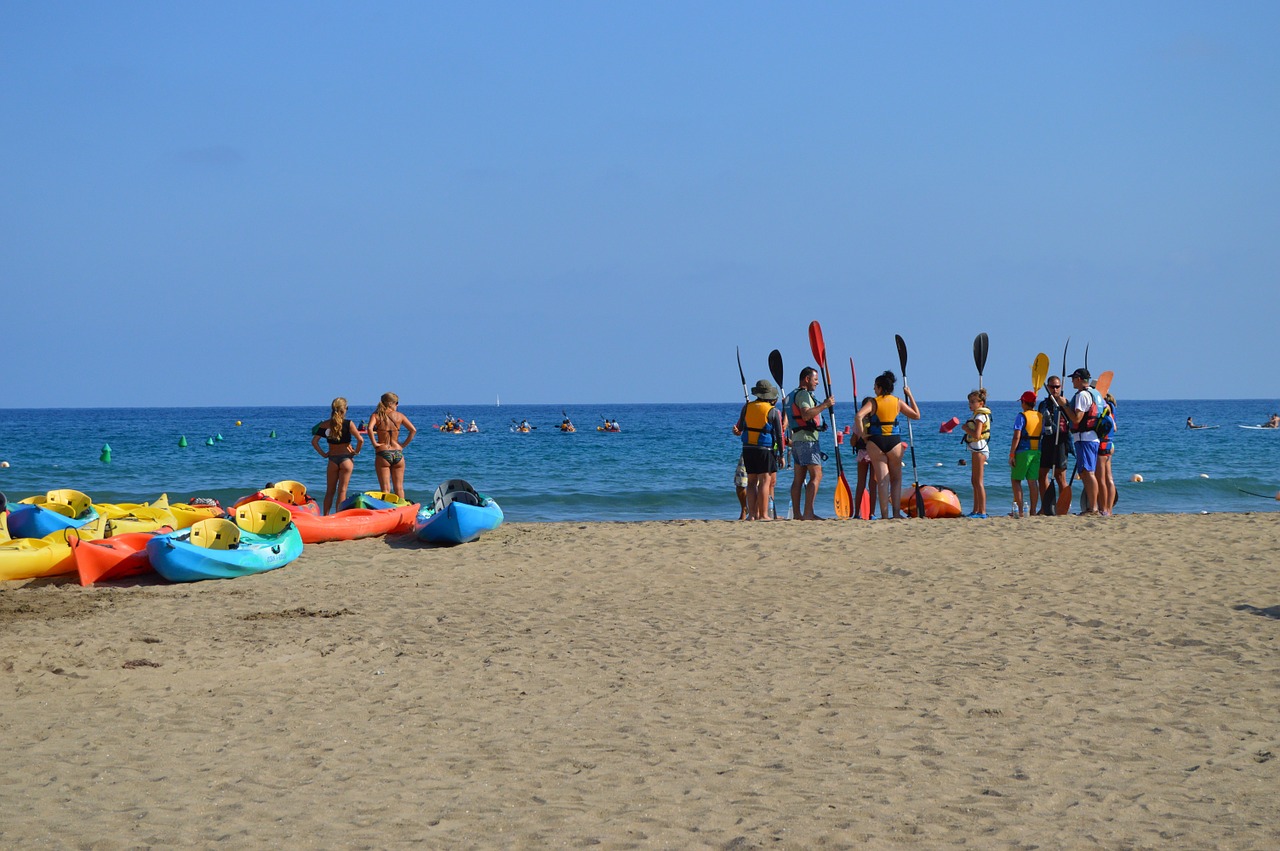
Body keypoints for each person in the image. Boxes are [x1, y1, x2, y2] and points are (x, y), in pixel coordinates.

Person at [853, 370, 921, 520]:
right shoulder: (897, 402)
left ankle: (884, 515)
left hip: (876, 442)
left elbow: (858, 416)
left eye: (875, 387)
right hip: (894, 442)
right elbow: (916, 415)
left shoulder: (873, 402)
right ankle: (896, 513)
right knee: (896, 479)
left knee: (882, 480)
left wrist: (863, 434)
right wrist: (909, 395)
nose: (873, 389)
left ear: (880, 387)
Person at [733, 379, 786, 521]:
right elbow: (780, 435)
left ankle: (752, 515)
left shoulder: (747, 407)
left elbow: (741, 427)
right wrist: (781, 454)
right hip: (765, 449)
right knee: (764, 481)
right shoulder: (773, 411)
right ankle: (763, 515)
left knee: (751, 482)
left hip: (748, 449)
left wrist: (737, 431)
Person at [787, 367, 835, 520]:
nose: (818, 383)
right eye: (815, 379)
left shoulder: (791, 395)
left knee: (798, 479)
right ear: (807, 379)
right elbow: (806, 415)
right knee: (817, 475)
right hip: (807, 441)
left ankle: (797, 514)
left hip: (796, 440)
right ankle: (808, 513)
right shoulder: (803, 395)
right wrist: (825, 405)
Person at [1052, 368, 1101, 515]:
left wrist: (1064, 405)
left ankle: (1093, 508)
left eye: (1074, 378)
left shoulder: (1082, 396)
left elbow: (1076, 419)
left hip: (1085, 438)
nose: (1072, 381)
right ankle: (1091, 507)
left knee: (1088, 472)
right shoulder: (1093, 393)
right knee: (1086, 472)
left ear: (1079, 379)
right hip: (1089, 438)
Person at [310, 397, 364, 515]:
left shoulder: (325, 424)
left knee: (329, 491)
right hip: (346, 459)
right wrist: (356, 452)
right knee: (342, 491)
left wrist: (324, 454)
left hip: (332, 460)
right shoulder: (349, 424)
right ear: (344, 409)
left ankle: (325, 517)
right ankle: (339, 516)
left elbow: (314, 442)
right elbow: (360, 440)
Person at [368, 392, 416, 500]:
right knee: (399, 488)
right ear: (391, 403)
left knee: (385, 489)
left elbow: (370, 428)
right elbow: (413, 430)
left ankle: (387, 511)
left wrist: (374, 443)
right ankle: (401, 511)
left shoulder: (376, 415)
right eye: (397, 403)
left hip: (383, 452)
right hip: (398, 453)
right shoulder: (400, 416)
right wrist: (403, 445)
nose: (397, 405)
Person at [1036, 376, 1073, 515]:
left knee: (1060, 476)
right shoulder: (1044, 404)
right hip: (1047, 441)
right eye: (1052, 387)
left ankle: (1063, 507)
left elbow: (1073, 420)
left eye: (1057, 387)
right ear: (1048, 388)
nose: (1055, 389)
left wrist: (1064, 406)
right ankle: (1046, 506)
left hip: (1061, 441)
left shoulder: (1065, 403)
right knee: (1042, 474)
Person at [1008, 391, 1042, 518]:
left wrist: (1012, 454)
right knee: (1032, 481)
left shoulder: (1021, 416)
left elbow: (1017, 436)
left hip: (1023, 451)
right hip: (1037, 451)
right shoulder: (1040, 415)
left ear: (1023, 402)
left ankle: (1020, 511)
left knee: (1016, 480)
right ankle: (1033, 510)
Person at [961, 389, 991, 518]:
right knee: (974, 481)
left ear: (981, 403)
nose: (971, 404)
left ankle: (982, 511)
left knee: (978, 481)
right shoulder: (976, 415)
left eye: (973, 402)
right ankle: (975, 509)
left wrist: (966, 429)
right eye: (970, 402)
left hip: (980, 449)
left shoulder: (980, 416)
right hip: (975, 449)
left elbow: (978, 435)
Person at [853, 396, 878, 520]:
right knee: (873, 485)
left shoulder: (859, 422)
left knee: (860, 484)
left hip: (862, 454)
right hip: (874, 454)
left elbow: (853, 442)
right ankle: (872, 513)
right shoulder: (876, 421)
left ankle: (856, 513)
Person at [1097, 393, 1118, 516]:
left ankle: (1104, 508)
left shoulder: (1106, 409)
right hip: (1110, 444)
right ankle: (1109, 509)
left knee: (1101, 478)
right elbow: (1115, 428)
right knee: (1109, 477)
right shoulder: (1111, 409)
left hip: (1103, 445)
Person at [734, 454, 749, 520]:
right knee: (740, 482)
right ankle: (744, 509)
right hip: (748, 449)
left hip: (764, 448)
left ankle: (756, 512)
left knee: (760, 483)